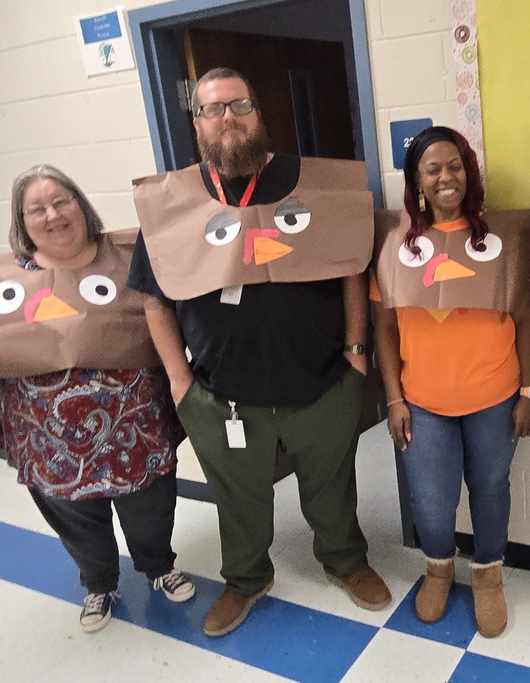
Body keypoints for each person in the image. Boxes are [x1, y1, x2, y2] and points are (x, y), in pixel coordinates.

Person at [127, 67, 391, 638]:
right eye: (212, 109)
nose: (227, 117)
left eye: (238, 105)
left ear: (259, 112)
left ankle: (345, 560)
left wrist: (355, 353)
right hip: (220, 394)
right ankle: (246, 578)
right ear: (196, 123)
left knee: (333, 483)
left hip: (324, 379)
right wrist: (180, 382)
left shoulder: (316, 186)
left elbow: (352, 268)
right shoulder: (173, 208)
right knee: (237, 497)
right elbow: (154, 301)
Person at [0, 165, 193, 633]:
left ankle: (159, 567)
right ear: (22, 222)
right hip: (50, 442)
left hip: (135, 429)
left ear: (81, 204)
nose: (52, 214)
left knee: (150, 510)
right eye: (36, 208)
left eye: (61, 201)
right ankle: (99, 584)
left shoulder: (126, 258)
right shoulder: (2, 280)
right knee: (78, 522)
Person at [372, 126, 530, 637]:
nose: (446, 177)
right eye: (433, 169)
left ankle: (488, 576)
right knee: (430, 496)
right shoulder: (395, 244)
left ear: (468, 174)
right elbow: (383, 325)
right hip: (421, 401)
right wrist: (394, 398)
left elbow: (529, 317)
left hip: (494, 395)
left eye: (455, 166)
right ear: (417, 182)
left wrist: (529, 392)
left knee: (490, 488)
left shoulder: (500, 240)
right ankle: (438, 569)